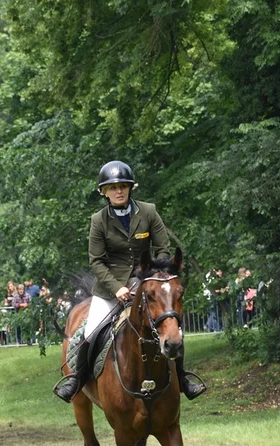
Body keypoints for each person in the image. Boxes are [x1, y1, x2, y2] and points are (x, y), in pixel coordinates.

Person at [54, 160, 206, 402]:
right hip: (108, 289)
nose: (119, 191)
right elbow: (96, 261)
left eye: (123, 186)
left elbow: (163, 250)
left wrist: (155, 278)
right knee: (90, 333)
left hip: (146, 284)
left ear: (130, 188)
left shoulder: (148, 211)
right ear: (104, 192)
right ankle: (77, 379)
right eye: (113, 187)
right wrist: (117, 288)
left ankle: (183, 378)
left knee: (172, 328)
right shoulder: (98, 220)